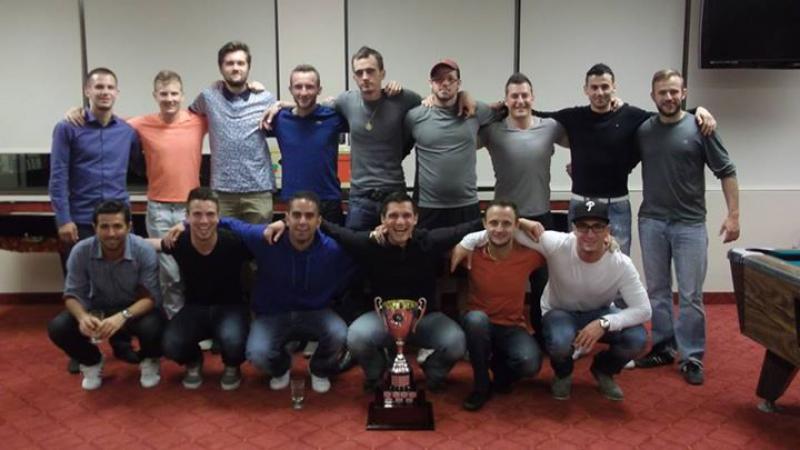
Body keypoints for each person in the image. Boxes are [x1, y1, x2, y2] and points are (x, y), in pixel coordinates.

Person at [266, 192, 484, 393]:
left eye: (406, 216)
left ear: (416, 219)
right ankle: (376, 374)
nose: (400, 222)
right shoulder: (369, 243)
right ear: (383, 219)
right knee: (356, 337)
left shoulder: (429, 241)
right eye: (393, 216)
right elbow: (333, 230)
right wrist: (285, 222)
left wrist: (473, 240)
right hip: (382, 320)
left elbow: (470, 227)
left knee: (456, 342)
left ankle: (433, 372)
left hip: (425, 319)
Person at [454, 198, 651, 401]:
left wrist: (605, 323)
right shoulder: (557, 244)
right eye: (583, 227)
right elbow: (502, 233)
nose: (590, 234)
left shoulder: (621, 263)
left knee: (637, 338)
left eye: (597, 227)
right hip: (560, 313)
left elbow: (644, 310)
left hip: (600, 312)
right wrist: (468, 241)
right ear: (573, 229)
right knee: (559, 343)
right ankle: (563, 374)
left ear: (607, 231)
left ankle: (603, 370)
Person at [633, 69, 740, 385]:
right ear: (653, 96)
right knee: (657, 291)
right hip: (651, 221)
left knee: (691, 295)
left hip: (689, 225)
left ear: (684, 93)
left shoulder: (701, 127)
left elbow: (727, 171)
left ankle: (692, 356)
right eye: (662, 92)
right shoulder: (644, 130)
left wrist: (734, 215)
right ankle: (663, 347)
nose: (668, 97)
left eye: (673, 92)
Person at [540, 63, 716, 255]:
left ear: (614, 87)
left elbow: (666, 117)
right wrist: (511, 108)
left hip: (617, 206)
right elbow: (537, 116)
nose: (600, 92)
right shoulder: (574, 117)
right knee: (578, 260)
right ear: (586, 90)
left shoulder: (630, 115)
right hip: (581, 203)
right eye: (594, 87)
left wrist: (698, 110)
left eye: (605, 87)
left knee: (618, 262)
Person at [48, 67, 142, 371]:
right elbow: (57, 177)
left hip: (118, 220)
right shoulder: (67, 128)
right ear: (87, 91)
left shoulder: (127, 132)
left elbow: (139, 165)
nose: (104, 92)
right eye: (98, 87)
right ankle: (82, 349)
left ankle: (121, 342)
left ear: (117, 92)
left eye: (110, 87)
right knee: (80, 287)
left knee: (123, 285)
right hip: (80, 220)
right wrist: (63, 219)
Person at [214, 192, 353, 393]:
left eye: (309, 216)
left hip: (316, 313)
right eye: (296, 215)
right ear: (286, 218)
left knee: (339, 333)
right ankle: (281, 367)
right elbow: (232, 224)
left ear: (319, 221)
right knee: (257, 353)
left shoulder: (333, 249)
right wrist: (185, 224)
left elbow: (363, 247)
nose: (302, 222)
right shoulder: (267, 238)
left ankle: (319, 368)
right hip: (272, 315)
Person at [479, 72, 568, 339]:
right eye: (514, 96)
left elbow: (586, 137)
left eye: (524, 95)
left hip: (540, 218)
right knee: (502, 284)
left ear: (533, 97)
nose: (520, 101)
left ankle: (543, 337)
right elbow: (459, 138)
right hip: (505, 222)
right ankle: (501, 337)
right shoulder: (493, 131)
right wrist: (487, 110)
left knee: (542, 285)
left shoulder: (550, 127)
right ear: (506, 100)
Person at [47, 201, 164, 390]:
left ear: (129, 227)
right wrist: (82, 317)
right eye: (104, 227)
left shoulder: (143, 250)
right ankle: (92, 360)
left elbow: (150, 298)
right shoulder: (80, 251)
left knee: (155, 325)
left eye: (117, 226)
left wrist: (122, 316)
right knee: (59, 327)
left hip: (133, 310)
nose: (111, 233)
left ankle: (149, 359)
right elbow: (71, 294)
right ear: (94, 227)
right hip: (97, 311)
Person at [151, 188, 251, 390]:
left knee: (235, 342)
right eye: (197, 214)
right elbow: (154, 244)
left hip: (230, 308)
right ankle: (193, 361)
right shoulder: (180, 241)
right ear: (187, 217)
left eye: (210, 214)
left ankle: (232, 366)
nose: (204, 221)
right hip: (194, 309)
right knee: (170, 344)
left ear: (218, 216)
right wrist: (119, 240)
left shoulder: (234, 241)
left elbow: (264, 243)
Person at [455, 200, 545, 411]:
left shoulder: (530, 255)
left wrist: (608, 242)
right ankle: (481, 386)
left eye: (506, 223)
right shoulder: (471, 253)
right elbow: (443, 252)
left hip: (512, 326)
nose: (499, 229)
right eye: (494, 223)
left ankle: (501, 371)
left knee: (530, 363)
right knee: (476, 320)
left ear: (516, 226)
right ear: (484, 224)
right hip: (478, 324)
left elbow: (563, 248)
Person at [190, 41, 276, 224]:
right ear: (221, 68)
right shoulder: (208, 97)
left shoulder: (265, 98)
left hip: (258, 191)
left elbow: (297, 110)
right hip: (222, 193)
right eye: (229, 63)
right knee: (224, 242)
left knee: (259, 241)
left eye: (240, 63)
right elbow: (187, 117)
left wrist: (282, 104)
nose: (235, 68)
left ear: (248, 67)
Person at [404, 59, 496, 230]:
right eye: (438, 79)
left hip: (466, 206)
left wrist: (466, 95)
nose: (444, 83)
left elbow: (504, 110)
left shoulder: (475, 111)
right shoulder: (414, 116)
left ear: (458, 84)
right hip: (428, 207)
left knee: (468, 248)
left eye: (450, 79)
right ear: (430, 83)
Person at [267, 64, 348, 224]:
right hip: (293, 201)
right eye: (298, 87)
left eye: (309, 87)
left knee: (332, 241)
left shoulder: (333, 117)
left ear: (319, 90)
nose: (303, 92)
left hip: (328, 200)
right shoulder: (278, 119)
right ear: (290, 89)